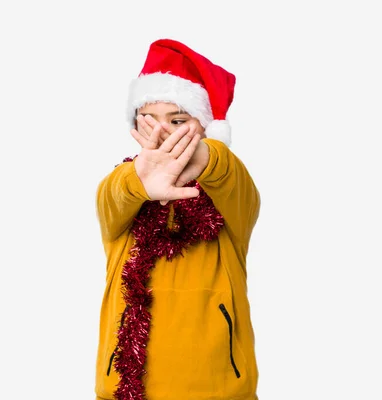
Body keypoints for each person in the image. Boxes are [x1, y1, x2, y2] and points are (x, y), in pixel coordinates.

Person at [94, 38, 261, 400]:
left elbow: (232, 177)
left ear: (204, 128)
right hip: (126, 391)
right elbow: (111, 197)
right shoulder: (125, 189)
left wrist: (204, 157)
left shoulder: (229, 197)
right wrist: (139, 178)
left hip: (216, 391)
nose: (162, 132)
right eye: (149, 119)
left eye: (178, 120)